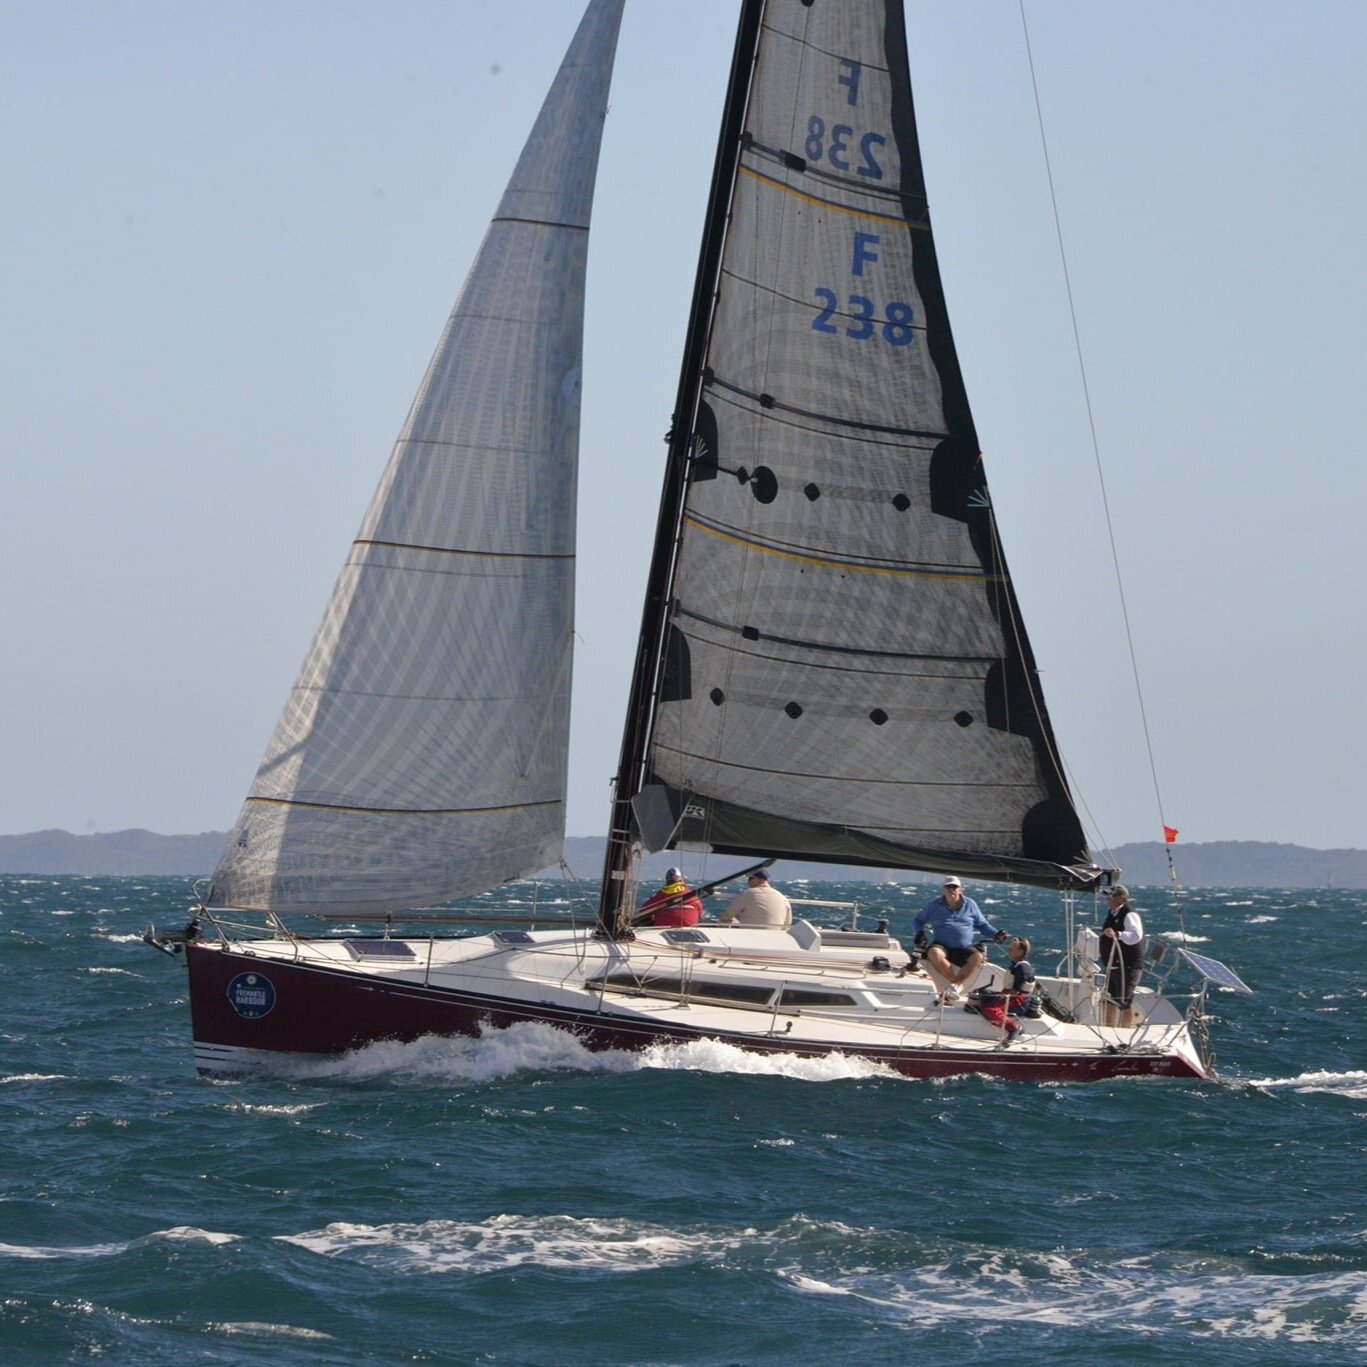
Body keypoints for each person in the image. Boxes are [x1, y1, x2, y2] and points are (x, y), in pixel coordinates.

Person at [910, 876, 1006, 1004]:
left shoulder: (970, 904)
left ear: (961, 890)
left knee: (977, 956)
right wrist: (919, 932)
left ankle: (954, 986)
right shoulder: (933, 905)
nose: (951, 889)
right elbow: (918, 920)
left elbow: (983, 925)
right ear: (943, 890)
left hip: (964, 947)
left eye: (954, 887)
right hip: (942, 946)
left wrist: (996, 934)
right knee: (933, 953)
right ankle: (956, 985)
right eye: (948, 887)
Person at [1099, 885, 1144, 1026]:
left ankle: (1124, 1034)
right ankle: (1109, 1029)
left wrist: (1118, 934)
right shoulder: (1112, 913)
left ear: (1121, 898)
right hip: (1113, 964)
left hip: (1128, 965)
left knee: (1124, 1001)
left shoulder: (1129, 914)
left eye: (1110, 897)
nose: (1107, 900)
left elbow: (1136, 935)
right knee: (1109, 999)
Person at [721, 868, 792, 928]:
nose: (748, 882)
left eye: (750, 878)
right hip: (775, 936)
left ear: (758, 879)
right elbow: (787, 924)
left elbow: (726, 915)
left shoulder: (748, 894)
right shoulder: (782, 897)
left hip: (751, 936)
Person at [638, 867, 703, 928]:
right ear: (681, 879)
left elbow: (644, 911)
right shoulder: (690, 894)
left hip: (664, 926)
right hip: (690, 926)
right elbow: (699, 911)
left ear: (667, 880)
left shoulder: (661, 895)